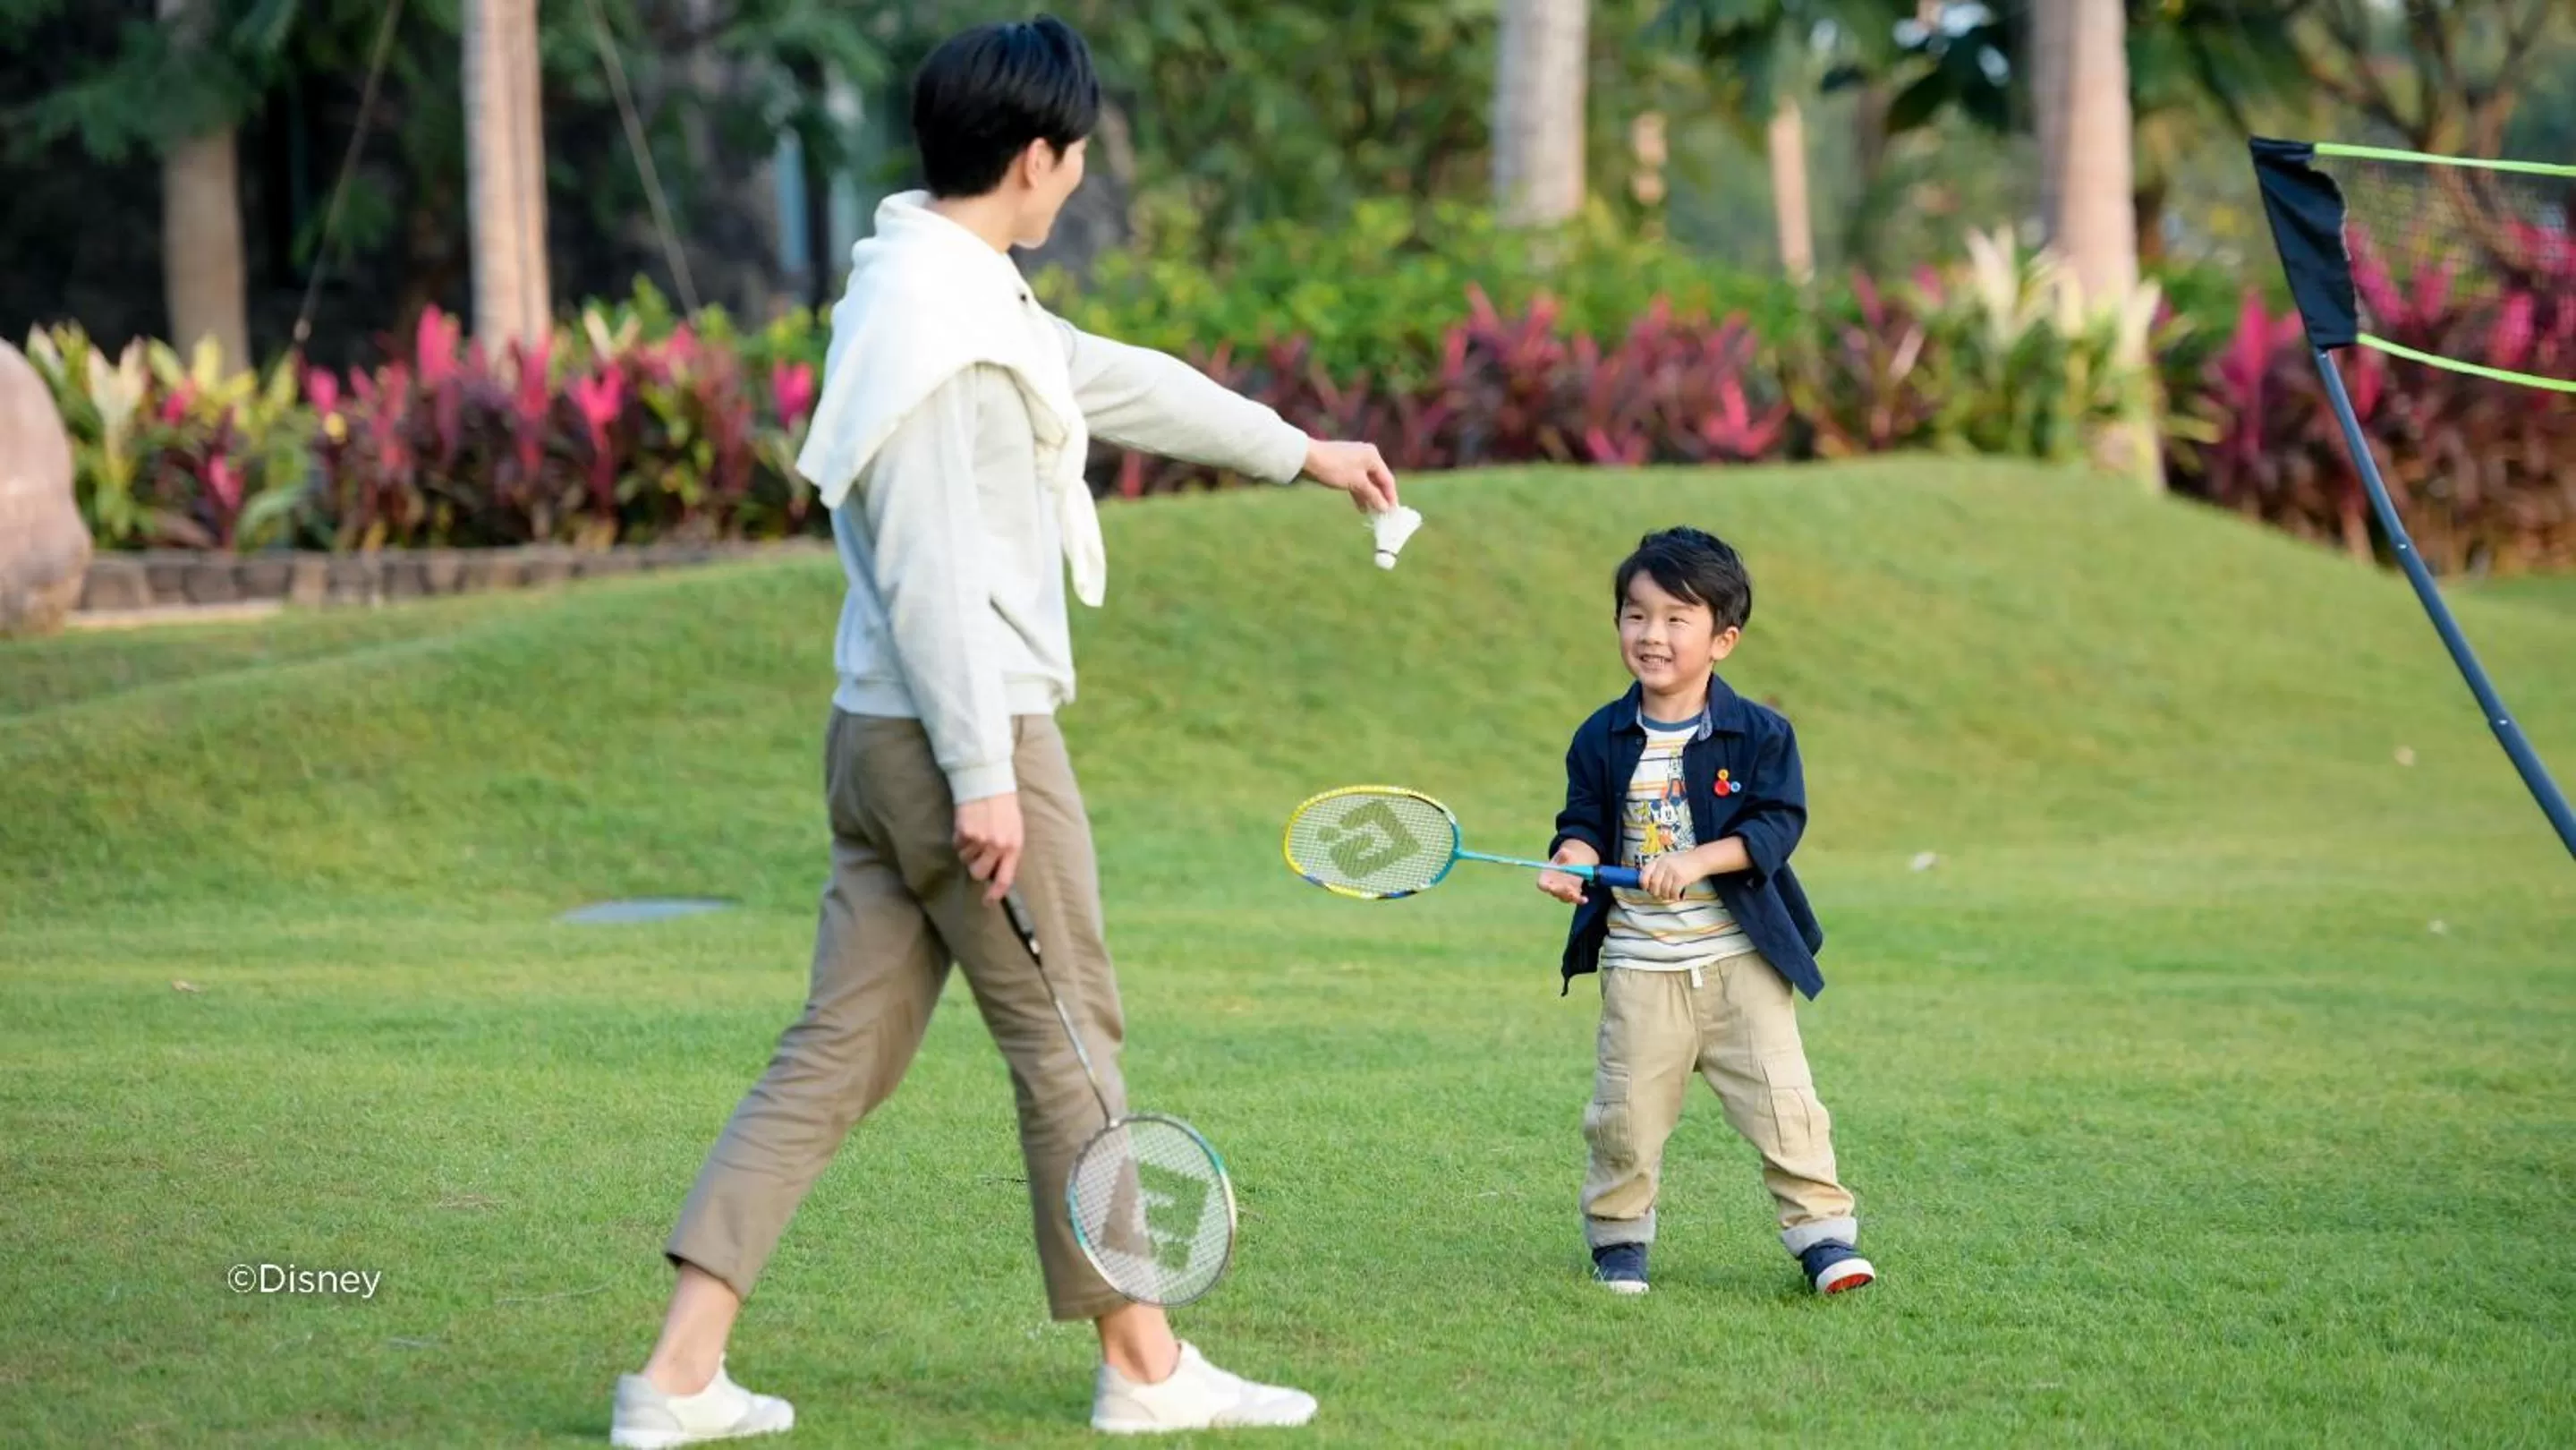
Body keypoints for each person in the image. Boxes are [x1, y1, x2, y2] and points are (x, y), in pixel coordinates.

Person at [608, 15, 1399, 1446]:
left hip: (879, 745)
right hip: (955, 743)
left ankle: (675, 1380)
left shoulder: (938, 289)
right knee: (1068, 1038)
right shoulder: (941, 331)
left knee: (838, 1049)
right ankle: (1147, 1371)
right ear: (1032, 159)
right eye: (1076, 157)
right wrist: (984, 778)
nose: (1077, 179)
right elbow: (928, 577)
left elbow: (1113, 376)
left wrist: (1299, 451)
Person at [1535, 527, 1874, 1300]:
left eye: (1674, 617)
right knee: (1624, 1117)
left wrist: (1694, 861)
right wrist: (1574, 863)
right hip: (1639, 968)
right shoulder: (1601, 735)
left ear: (1722, 638)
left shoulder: (1759, 734)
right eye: (1634, 614)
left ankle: (1822, 1239)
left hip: (1739, 966)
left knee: (1786, 1107)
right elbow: (1582, 820)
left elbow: (1774, 828)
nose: (1650, 634)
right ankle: (1620, 1243)